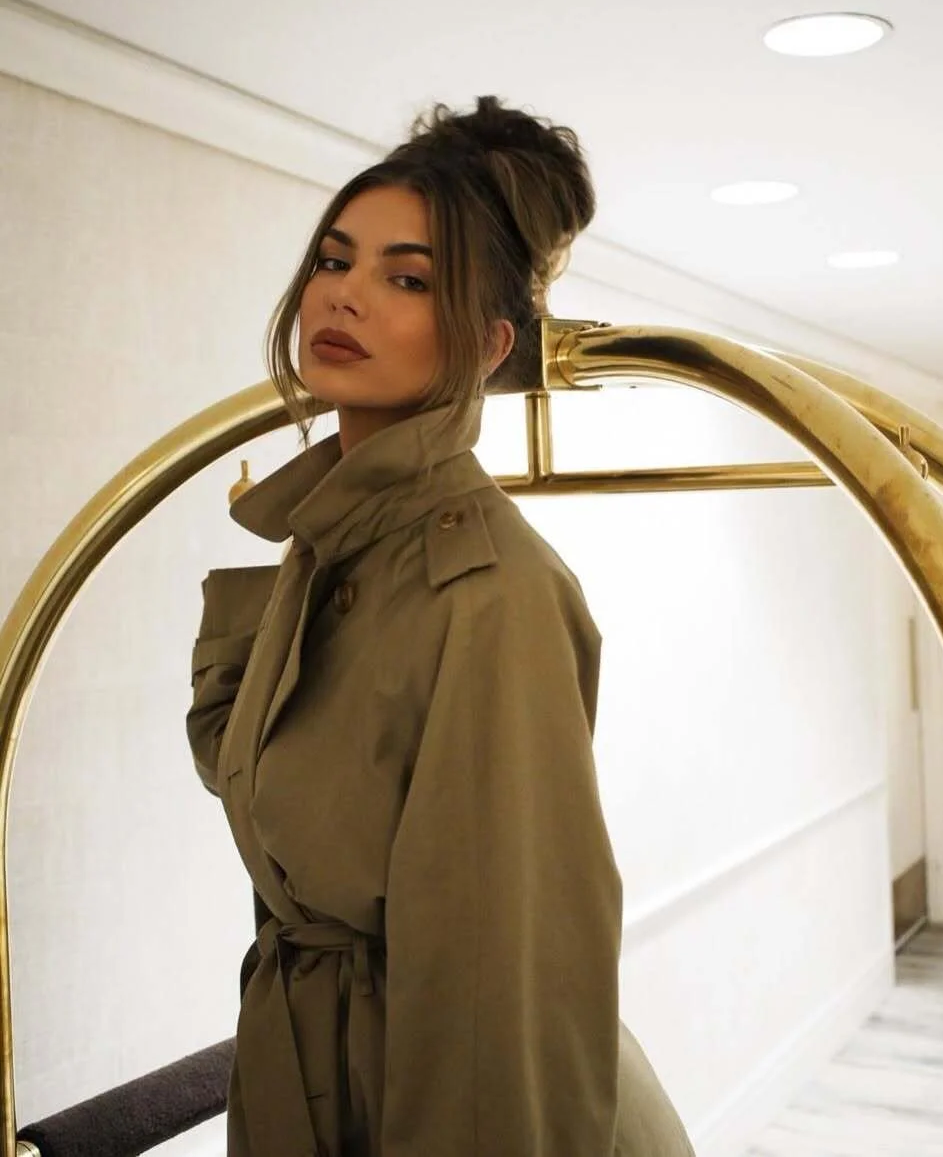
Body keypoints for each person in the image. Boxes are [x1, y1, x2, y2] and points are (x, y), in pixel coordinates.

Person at [187, 95, 696, 1157]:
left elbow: (499, 992)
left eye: (407, 279)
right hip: (316, 1079)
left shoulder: (492, 594)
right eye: (337, 260)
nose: (349, 297)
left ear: (488, 341)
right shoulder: (331, 541)